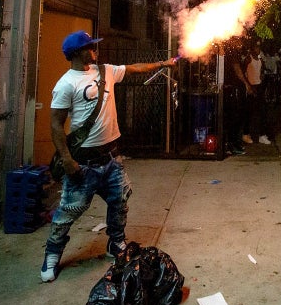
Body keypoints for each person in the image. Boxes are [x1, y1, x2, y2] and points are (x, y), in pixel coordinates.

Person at [41, 30, 178, 282]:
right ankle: (52, 253)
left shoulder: (106, 71)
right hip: (84, 163)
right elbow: (56, 125)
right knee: (69, 211)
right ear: (77, 53)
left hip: (112, 159)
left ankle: (115, 243)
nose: (95, 49)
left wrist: (163, 64)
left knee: (120, 201)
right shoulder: (66, 84)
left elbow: (136, 68)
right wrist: (67, 159)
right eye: (90, 46)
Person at [221, 39, 250, 155]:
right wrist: (246, 83)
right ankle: (231, 145)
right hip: (233, 89)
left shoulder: (236, 52)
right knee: (234, 117)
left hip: (235, 88)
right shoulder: (232, 52)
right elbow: (237, 69)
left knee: (237, 117)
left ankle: (234, 143)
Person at [243, 41, 271, 145]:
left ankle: (261, 135)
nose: (258, 49)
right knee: (249, 113)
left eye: (259, 48)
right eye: (256, 48)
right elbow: (243, 73)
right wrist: (248, 86)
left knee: (262, 112)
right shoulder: (248, 59)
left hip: (259, 87)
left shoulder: (260, 60)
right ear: (252, 49)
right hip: (251, 88)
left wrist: (262, 76)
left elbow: (261, 72)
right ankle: (246, 134)